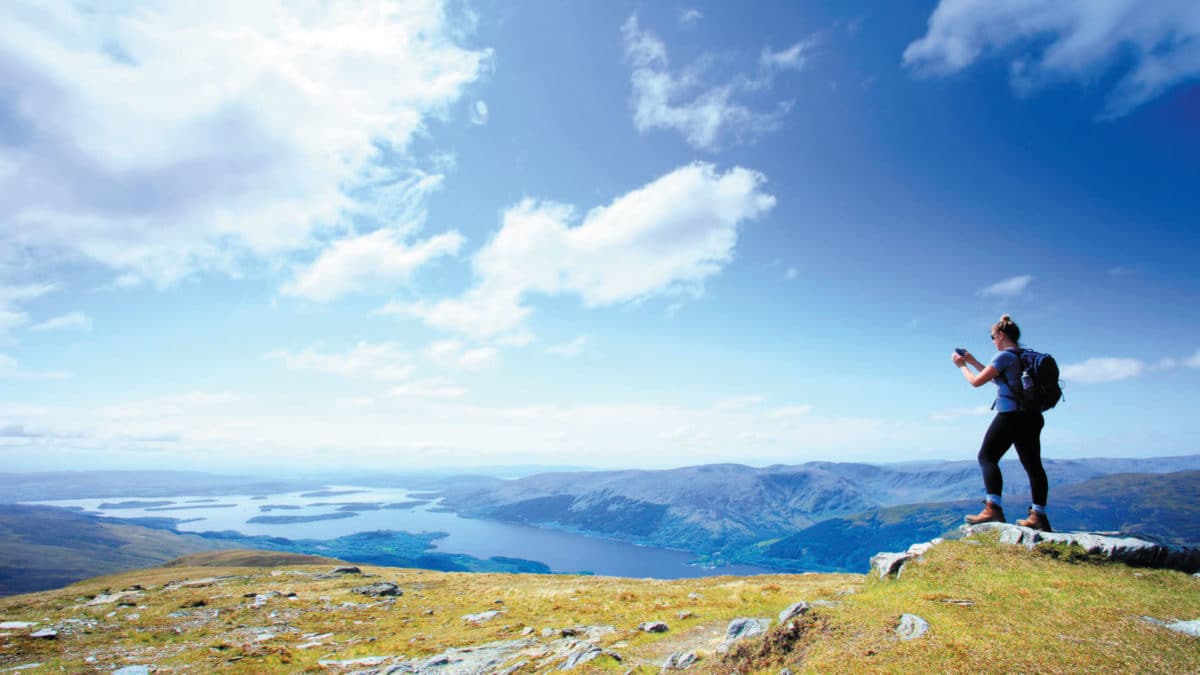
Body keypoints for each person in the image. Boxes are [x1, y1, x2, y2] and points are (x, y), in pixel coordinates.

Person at [951, 314, 1051, 531]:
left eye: (993, 337)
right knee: (1033, 465)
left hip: (1010, 416)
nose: (993, 341)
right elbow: (998, 378)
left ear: (1002, 335)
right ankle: (1039, 516)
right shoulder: (1025, 355)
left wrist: (961, 366)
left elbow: (978, 382)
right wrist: (972, 360)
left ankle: (993, 508)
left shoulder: (1004, 356)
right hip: (1032, 416)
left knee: (987, 457)